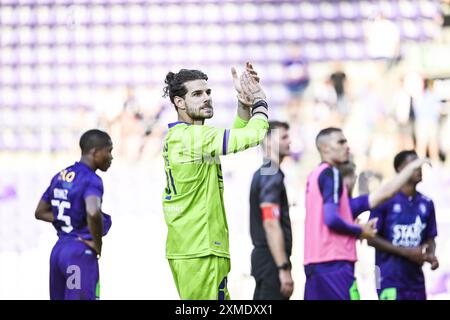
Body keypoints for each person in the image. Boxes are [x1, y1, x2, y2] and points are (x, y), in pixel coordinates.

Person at [161, 63, 269, 300]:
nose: (207, 98)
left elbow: (234, 138)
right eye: (197, 94)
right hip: (200, 247)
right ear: (179, 102)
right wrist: (260, 101)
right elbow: (252, 135)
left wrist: (243, 105)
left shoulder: (181, 136)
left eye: (208, 92)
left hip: (191, 247)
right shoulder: (195, 138)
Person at [34, 129, 113, 300]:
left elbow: (40, 211)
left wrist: (70, 219)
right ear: (95, 152)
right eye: (109, 150)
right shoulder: (91, 180)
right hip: (79, 253)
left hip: (58, 251)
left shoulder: (61, 176)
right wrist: (97, 242)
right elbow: (93, 212)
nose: (111, 157)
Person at [303, 127, 378, 300]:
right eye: (341, 142)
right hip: (334, 263)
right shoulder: (332, 174)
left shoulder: (314, 175)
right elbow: (331, 219)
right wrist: (360, 230)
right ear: (325, 148)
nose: (347, 146)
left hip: (314, 263)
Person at [368, 150, 439, 300]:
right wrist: (406, 252)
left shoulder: (427, 203)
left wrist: (430, 254)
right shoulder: (384, 200)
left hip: (415, 281)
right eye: (414, 164)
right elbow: (371, 238)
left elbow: (430, 238)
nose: (419, 168)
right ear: (400, 170)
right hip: (386, 278)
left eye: (420, 164)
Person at [249, 121, 293, 300]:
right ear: (267, 142)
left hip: (264, 259)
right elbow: (270, 223)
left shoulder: (263, 172)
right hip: (271, 261)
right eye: (283, 137)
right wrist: (283, 268)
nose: (289, 141)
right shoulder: (271, 173)